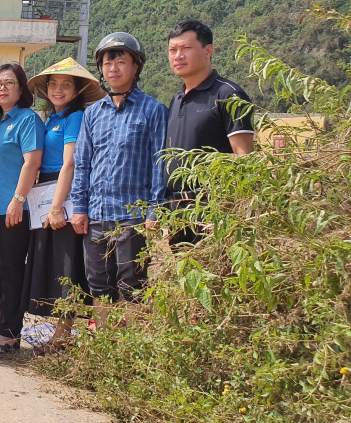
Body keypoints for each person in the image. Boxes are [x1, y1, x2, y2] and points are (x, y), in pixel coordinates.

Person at [70, 33, 168, 326]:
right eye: (107, 61)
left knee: (132, 282)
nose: (113, 67)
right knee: (98, 282)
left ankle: (131, 346)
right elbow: (82, 163)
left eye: (121, 61)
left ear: (136, 66)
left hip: (133, 217)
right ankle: (104, 342)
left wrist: (154, 211)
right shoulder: (92, 115)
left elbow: (160, 164)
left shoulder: (153, 110)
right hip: (97, 213)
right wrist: (79, 207)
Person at [24, 58, 105, 352]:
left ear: (78, 90)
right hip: (45, 193)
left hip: (63, 194)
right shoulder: (52, 119)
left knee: (66, 264)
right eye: (54, 84)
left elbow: (70, 162)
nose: (58, 90)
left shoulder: (75, 118)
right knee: (53, 262)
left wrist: (57, 207)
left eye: (66, 85)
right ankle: (58, 332)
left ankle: (63, 333)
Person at [165, 21, 254, 245]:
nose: (178, 56)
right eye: (172, 50)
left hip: (213, 210)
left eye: (186, 49)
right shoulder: (176, 100)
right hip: (179, 211)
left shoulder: (228, 94)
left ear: (208, 51)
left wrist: (231, 213)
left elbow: (244, 159)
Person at [0, 63, 44, 353]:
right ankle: (5, 327)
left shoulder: (27, 120)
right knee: (1, 273)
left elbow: (32, 163)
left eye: (9, 83)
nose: (2, 88)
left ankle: (10, 335)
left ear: (21, 89)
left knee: (13, 269)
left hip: (15, 208)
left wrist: (17, 200)